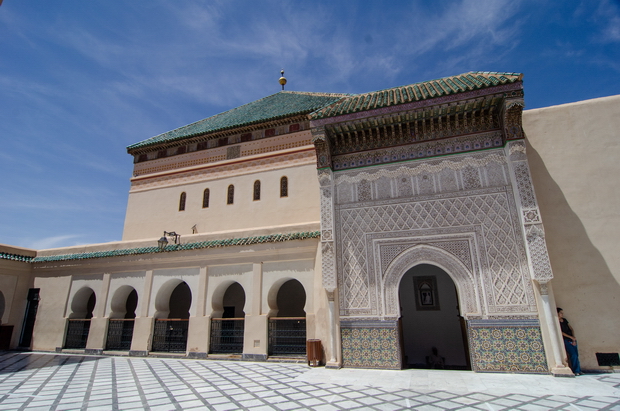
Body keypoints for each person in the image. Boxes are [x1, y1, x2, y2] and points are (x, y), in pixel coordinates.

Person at [557, 307, 582, 375]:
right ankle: (576, 370)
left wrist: (573, 338)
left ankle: (578, 370)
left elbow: (571, 328)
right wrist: (570, 337)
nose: (562, 314)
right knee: (573, 355)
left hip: (572, 339)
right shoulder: (557, 322)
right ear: (557, 313)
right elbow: (561, 332)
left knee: (576, 355)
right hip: (566, 340)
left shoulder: (564, 320)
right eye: (561, 313)